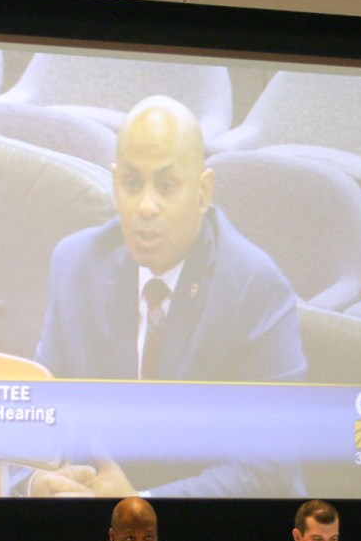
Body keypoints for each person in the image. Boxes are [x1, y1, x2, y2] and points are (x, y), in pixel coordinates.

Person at [28, 94, 306, 498]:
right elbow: (42, 408)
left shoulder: (255, 288)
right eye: (131, 184)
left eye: (167, 185)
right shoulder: (77, 264)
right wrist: (39, 480)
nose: (145, 206)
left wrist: (137, 506)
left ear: (203, 192)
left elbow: (269, 470)